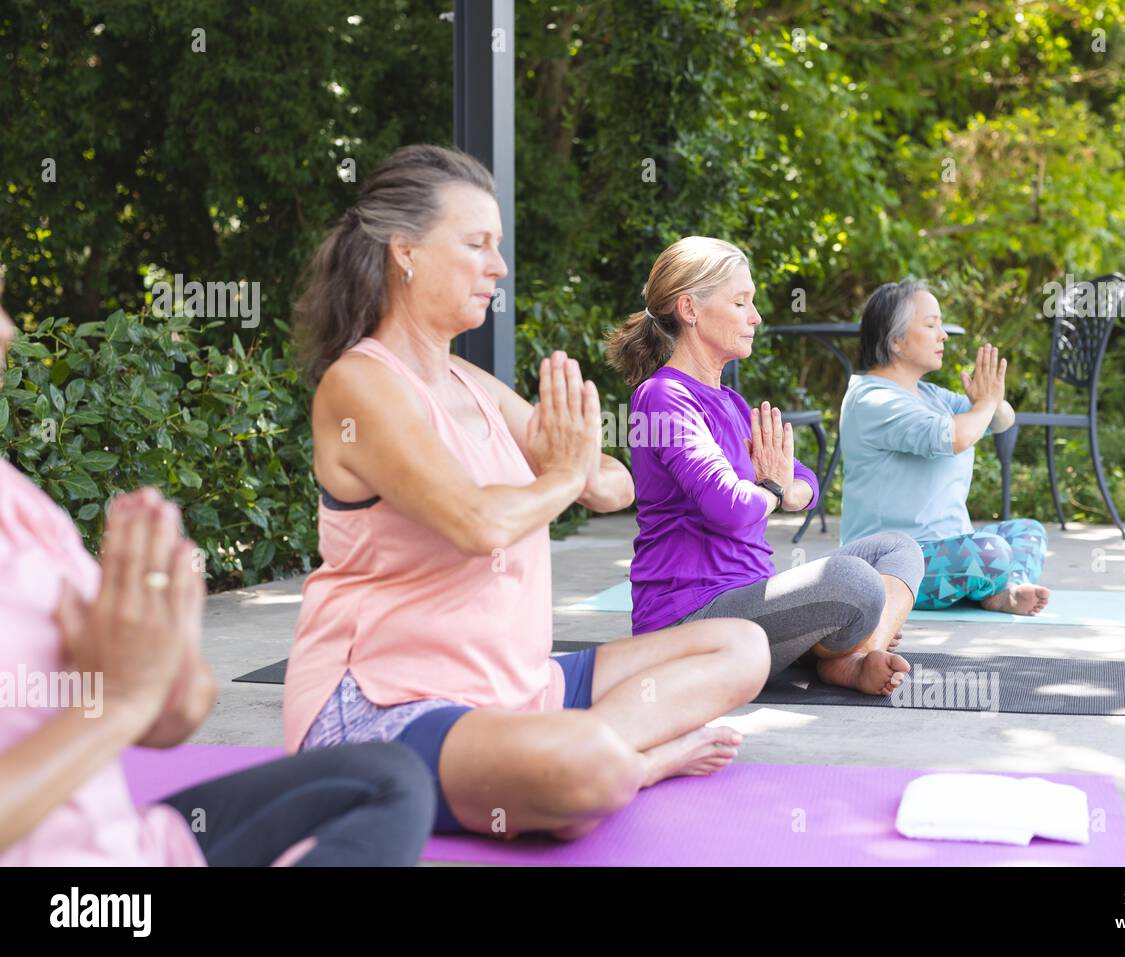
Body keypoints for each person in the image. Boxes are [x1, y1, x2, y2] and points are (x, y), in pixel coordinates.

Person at [284, 146, 769, 840]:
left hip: (517, 687)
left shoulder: (472, 386)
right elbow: (477, 521)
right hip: (385, 708)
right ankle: (621, 760)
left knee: (742, 645)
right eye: (478, 244)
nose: (499, 268)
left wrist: (574, 466)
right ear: (406, 253)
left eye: (499, 246)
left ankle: (583, 752)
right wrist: (563, 475)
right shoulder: (359, 385)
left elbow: (613, 484)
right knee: (585, 772)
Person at [0, 271, 434, 867]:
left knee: (390, 780)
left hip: (130, 848)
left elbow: (165, 711)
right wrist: (118, 707)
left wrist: (166, 661)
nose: (7, 332)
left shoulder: (18, 503)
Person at [606, 237, 924, 697]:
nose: (755, 317)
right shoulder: (662, 397)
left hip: (753, 602)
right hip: (688, 622)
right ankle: (839, 654)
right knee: (853, 582)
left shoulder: (730, 402)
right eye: (740, 302)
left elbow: (806, 481)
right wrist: (775, 487)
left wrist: (782, 489)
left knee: (897, 549)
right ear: (689, 309)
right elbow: (730, 507)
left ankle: (853, 656)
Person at [839, 279, 1051, 615]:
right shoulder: (873, 400)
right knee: (989, 551)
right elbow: (955, 437)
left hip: (945, 551)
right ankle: (993, 583)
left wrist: (990, 401)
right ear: (895, 340)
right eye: (931, 325)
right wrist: (983, 405)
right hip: (890, 565)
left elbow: (1002, 421)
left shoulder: (931, 395)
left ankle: (1003, 588)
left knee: (1027, 531)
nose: (944, 335)